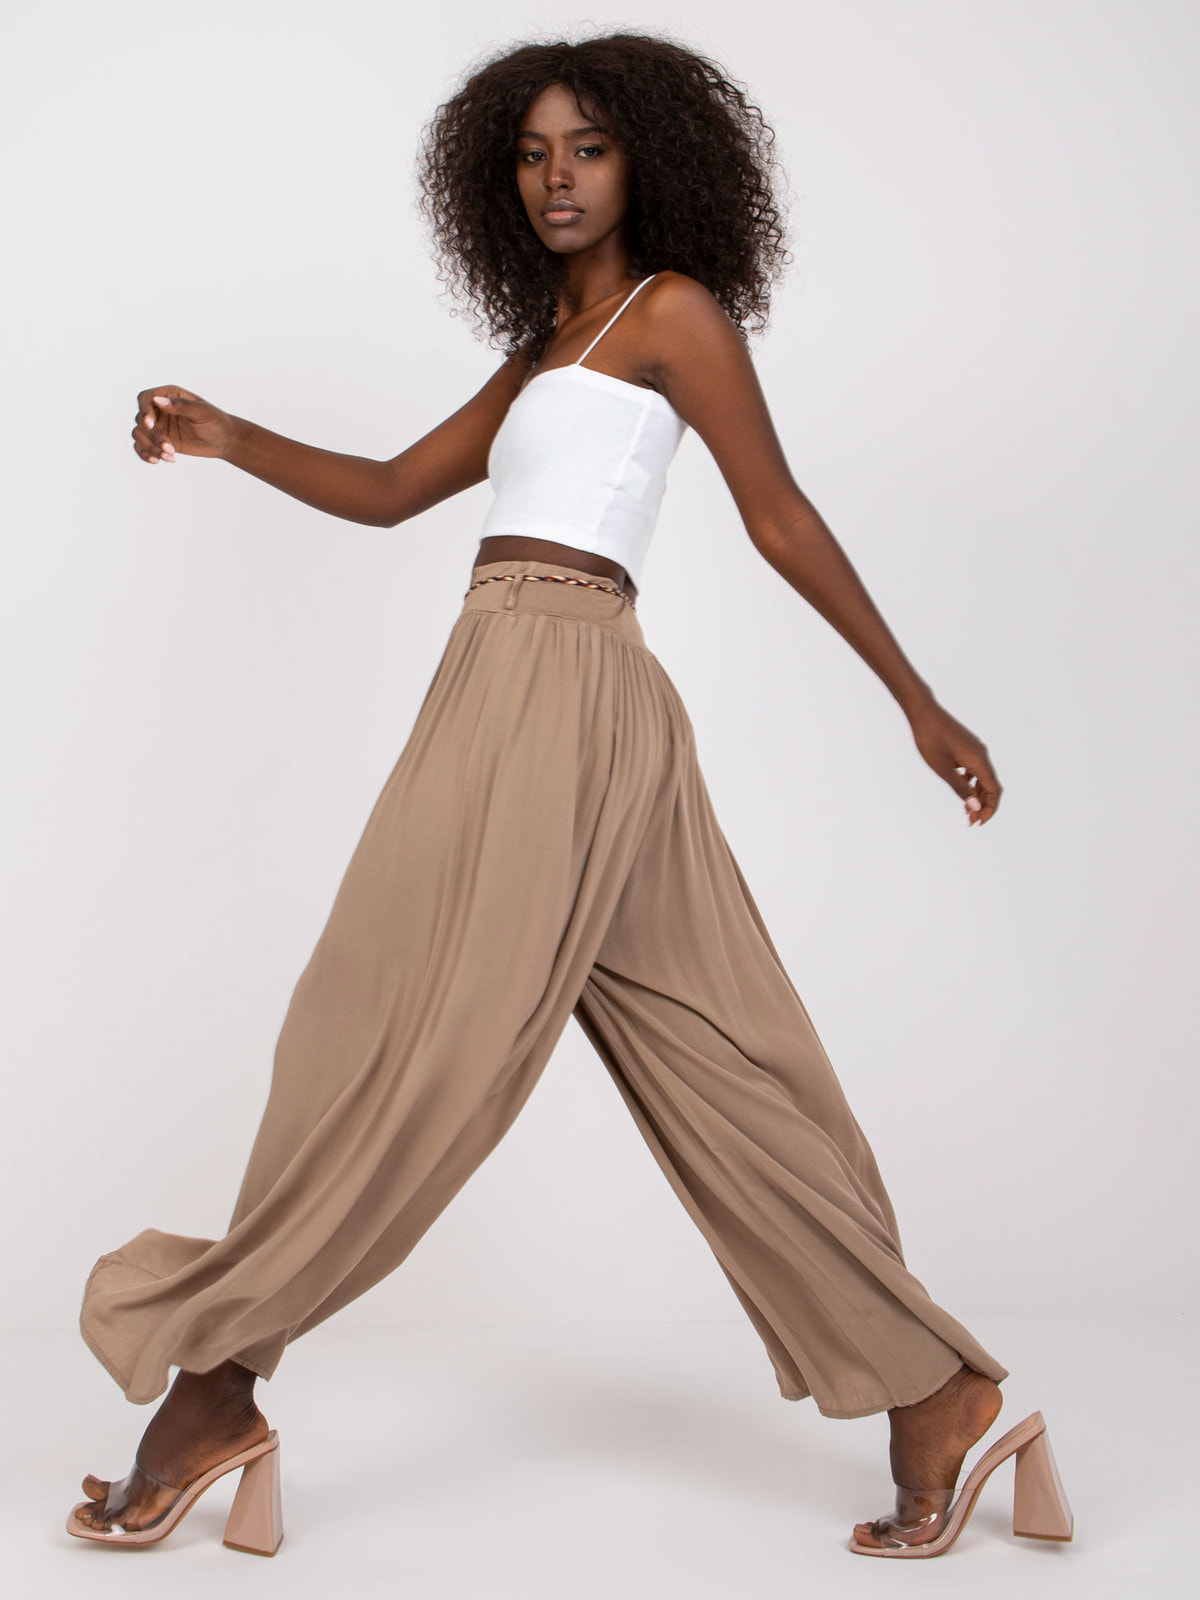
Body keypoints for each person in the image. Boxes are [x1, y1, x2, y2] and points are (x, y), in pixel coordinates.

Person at [67, 31, 1073, 1561]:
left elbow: (780, 516)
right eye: (534, 152)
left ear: (645, 162)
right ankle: (942, 1393)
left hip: (564, 686)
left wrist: (916, 702)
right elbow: (394, 491)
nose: (558, 176)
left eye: (588, 147)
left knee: (405, 1028)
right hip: (511, 676)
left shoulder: (673, 315)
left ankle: (213, 1391)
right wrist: (229, 437)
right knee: (713, 1051)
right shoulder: (546, 349)